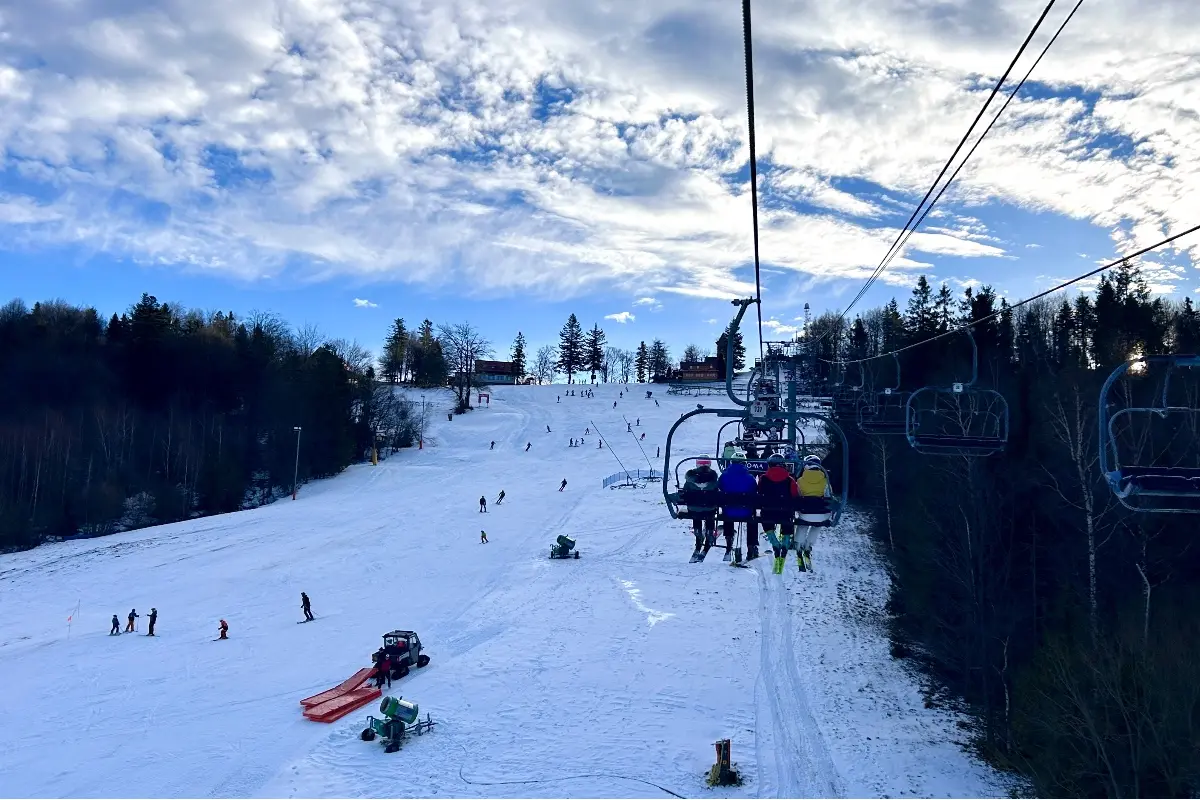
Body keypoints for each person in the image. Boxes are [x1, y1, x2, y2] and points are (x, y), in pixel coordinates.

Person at [758, 454, 799, 574]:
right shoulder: (789, 480)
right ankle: (785, 545)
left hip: (768, 512)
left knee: (767, 523)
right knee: (787, 523)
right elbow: (794, 494)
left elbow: (760, 492)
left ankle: (775, 543)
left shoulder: (763, 478)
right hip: (785, 513)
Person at [718, 460, 759, 560]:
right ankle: (751, 545)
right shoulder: (750, 478)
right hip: (746, 512)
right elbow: (754, 490)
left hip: (729, 511)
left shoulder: (723, 476)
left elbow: (720, 488)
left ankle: (729, 540)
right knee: (753, 517)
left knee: (726, 509)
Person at [682, 459, 720, 555]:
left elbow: (684, 493)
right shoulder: (713, 479)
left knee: (696, 515)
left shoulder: (690, 481)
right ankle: (709, 534)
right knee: (710, 515)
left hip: (694, 509)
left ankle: (698, 536)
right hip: (709, 508)